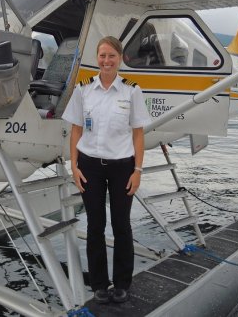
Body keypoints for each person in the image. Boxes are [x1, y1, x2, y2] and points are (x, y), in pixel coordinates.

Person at [62, 36, 151, 304]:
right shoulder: (83, 90)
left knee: (121, 225)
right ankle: (100, 283)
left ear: (120, 58)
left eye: (111, 56)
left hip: (122, 167)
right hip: (90, 166)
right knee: (95, 225)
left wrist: (137, 170)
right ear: (97, 58)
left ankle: (122, 283)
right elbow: (76, 129)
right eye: (102, 56)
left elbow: (138, 134)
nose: (106, 61)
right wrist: (73, 165)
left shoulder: (132, 91)